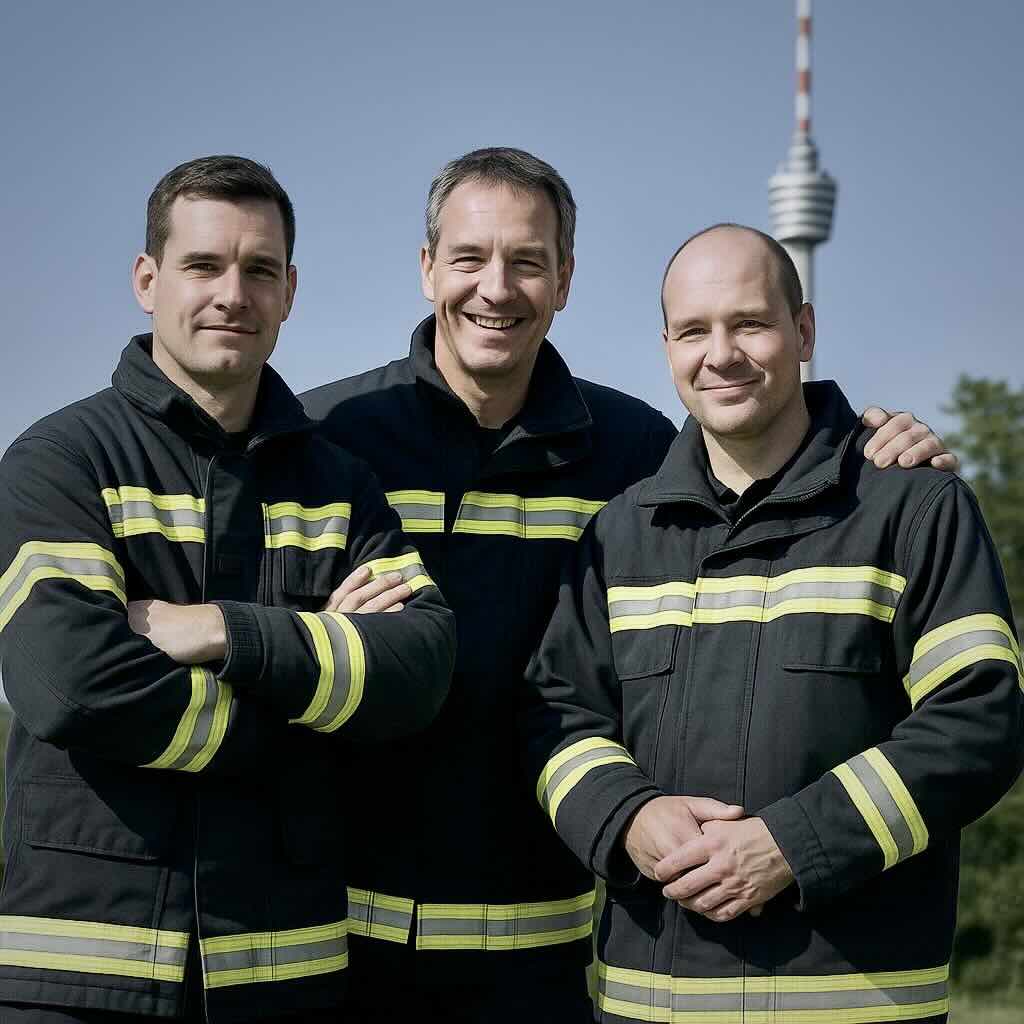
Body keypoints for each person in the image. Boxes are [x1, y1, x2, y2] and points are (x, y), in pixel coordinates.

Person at [301, 149, 957, 1022]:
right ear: (427, 269)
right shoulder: (327, 438)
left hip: (550, 956)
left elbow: (761, 457)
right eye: (469, 258)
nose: (496, 287)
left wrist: (873, 442)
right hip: (341, 941)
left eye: (528, 261)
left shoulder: (634, 453)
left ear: (565, 279)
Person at [521, 223, 1023, 1024]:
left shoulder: (914, 509)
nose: (720, 353)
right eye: (693, 331)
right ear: (667, 348)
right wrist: (627, 815)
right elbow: (554, 717)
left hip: (856, 1005)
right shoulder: (619, 536)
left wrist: (794, 843)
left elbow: (979, 721)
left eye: (748, 323)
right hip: (650, 1006)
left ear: (804, 331)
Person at [0, 155, 455, 1023]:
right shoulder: (61, 462)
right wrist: (306, 721)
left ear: (290, 291)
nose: (232, 294)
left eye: (260, 270)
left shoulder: (342, 483)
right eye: (203, 265)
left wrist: (219, 632)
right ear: (148, 279)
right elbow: (69, 683)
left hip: (284, 969)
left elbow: (419, 668)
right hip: (80, 971)